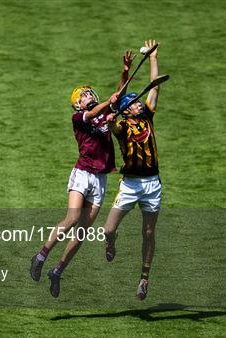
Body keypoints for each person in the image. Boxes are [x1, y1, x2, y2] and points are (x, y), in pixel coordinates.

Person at [30, 51, 135, 298]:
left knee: (82, 232)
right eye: (83, 95)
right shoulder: (79, 117)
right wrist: (107, 106)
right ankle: (41, 255)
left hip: (100, 179)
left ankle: (57, 271)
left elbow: (117, 96)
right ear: (77, 104)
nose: (88, 95)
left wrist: (125, 71)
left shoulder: (104, 115)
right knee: (71, 219)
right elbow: (102, 107)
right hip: (82, 173)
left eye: (90, 92)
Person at [104, 39, 162, 300]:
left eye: (140, 102)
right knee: (107, 229)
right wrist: (111, 116)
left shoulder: (148, 116)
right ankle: (111, 244)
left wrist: (152, 58)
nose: (140, 103)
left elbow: (154, 85)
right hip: (130, 185)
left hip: (152, 184)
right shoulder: (122, 127)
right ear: (127, 109)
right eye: (135, 102)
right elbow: (113, 124)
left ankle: (144, 278)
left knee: (148, 232)